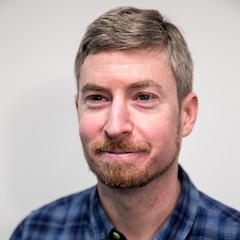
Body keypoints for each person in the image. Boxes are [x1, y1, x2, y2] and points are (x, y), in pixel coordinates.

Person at [10, 6, 240, 240]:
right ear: (78, 110)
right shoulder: (34, 232)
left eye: (144, 97)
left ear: (187, 115)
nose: (115, 126)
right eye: (97, 98)